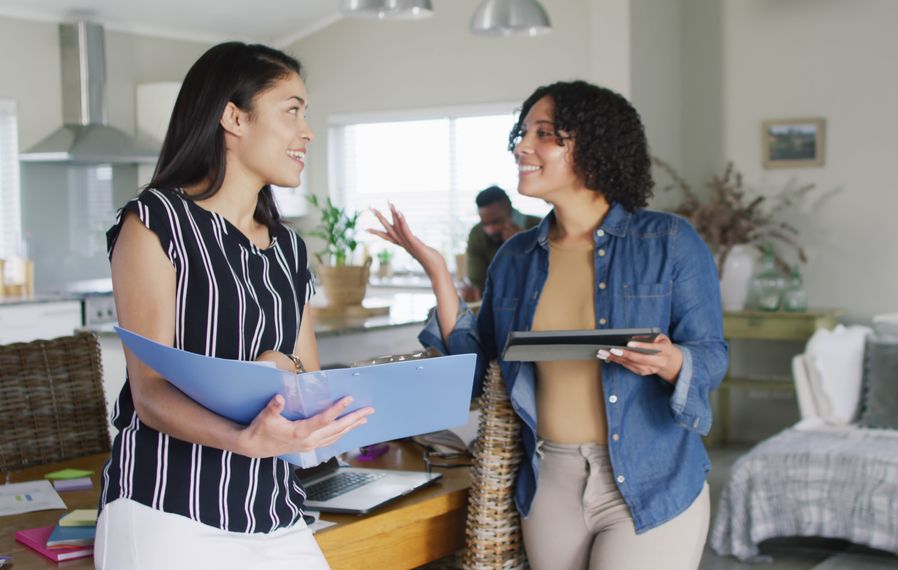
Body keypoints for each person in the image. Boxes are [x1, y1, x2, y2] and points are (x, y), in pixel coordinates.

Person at [370, 80, 728, 569]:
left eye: (544, 134)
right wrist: (437, 271)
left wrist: (673, 361)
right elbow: (479, 368)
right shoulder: (515, 257)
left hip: (652, 477)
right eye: (522, 132)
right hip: (549, 481)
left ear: (594, 146)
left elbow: (711, 353)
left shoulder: (668, 241)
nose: (522, 146)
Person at [96, 43, 373, 570]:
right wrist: (243, 438)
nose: (307, 131)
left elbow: (304, 377)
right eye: (292, 110)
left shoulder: (288, 248)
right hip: (169, 509)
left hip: (275, 511)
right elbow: (150, 392)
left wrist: (310, 392)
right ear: (233, 117)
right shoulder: (156, 222)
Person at [462, 185, 541, 301]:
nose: (491, 230)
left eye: (496, 221)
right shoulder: (477, 233)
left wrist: (525, 246)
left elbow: (545, 278)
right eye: (485, 223)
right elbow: (478, 282)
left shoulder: (539, 227)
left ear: (508, 208)